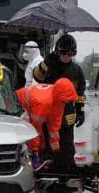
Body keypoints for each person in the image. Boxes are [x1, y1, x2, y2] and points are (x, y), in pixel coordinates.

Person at [32, 34, 87, 171]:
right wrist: (46, 63)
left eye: (69, 54)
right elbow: (37, 77)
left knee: (67, 144)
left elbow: (80, 94)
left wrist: (80, 111)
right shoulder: (51, 65)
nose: (66, 57)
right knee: (49, 141)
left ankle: (67, 170)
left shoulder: (76, 70)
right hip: (50, 111)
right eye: (64, 54)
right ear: (58, 52)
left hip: (67, 113)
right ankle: (48, 168)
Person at [16, 78, 79, 162]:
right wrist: (35, 151)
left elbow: (54, 126)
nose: (68, 103)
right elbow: (34, 129)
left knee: (42, 143)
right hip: (17, 104)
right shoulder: (44, 102)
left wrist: (56, 149)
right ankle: (30, 157)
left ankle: (40, 154)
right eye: (67, 100)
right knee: (27, 138)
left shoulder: (60, 98)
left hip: (33, 105)